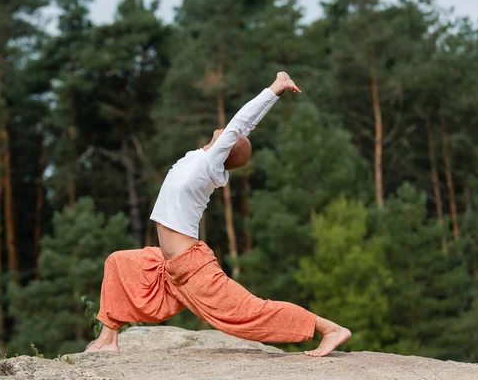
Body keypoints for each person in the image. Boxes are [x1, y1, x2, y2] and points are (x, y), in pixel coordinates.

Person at [85, 72, 351, 357]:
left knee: (252, 313)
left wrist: (275, 89)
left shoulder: (208, 168)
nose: (226, 130)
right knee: (118, 263)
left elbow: (241, 123)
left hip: (192, 270)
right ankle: (108, 339)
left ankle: (329, 329)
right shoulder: (194, 158)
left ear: (227, 149)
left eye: (231, 136)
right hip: (166, 266)